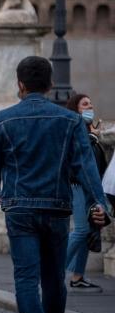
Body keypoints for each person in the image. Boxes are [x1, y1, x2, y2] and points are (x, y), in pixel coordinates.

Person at [0, 57, 110, 313]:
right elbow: (86, 167)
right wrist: (99, 203)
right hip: (57, 207)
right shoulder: (71, 121)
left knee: (26, 279)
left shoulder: (1, 120)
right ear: (50, 85)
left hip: (20, 208)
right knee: (53, 279)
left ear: (20, 85)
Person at [64, 93, 108, 293]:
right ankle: (52, 271)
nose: (90, 107)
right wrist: (92, 137)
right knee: (81, 230)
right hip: (78, 185)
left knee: (87, 230)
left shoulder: (89, 130)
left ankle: (78, 277)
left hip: (89, 186)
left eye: (91, 103)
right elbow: (77, 157)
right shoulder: (74, 128)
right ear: (75, 109)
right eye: (84, 104)